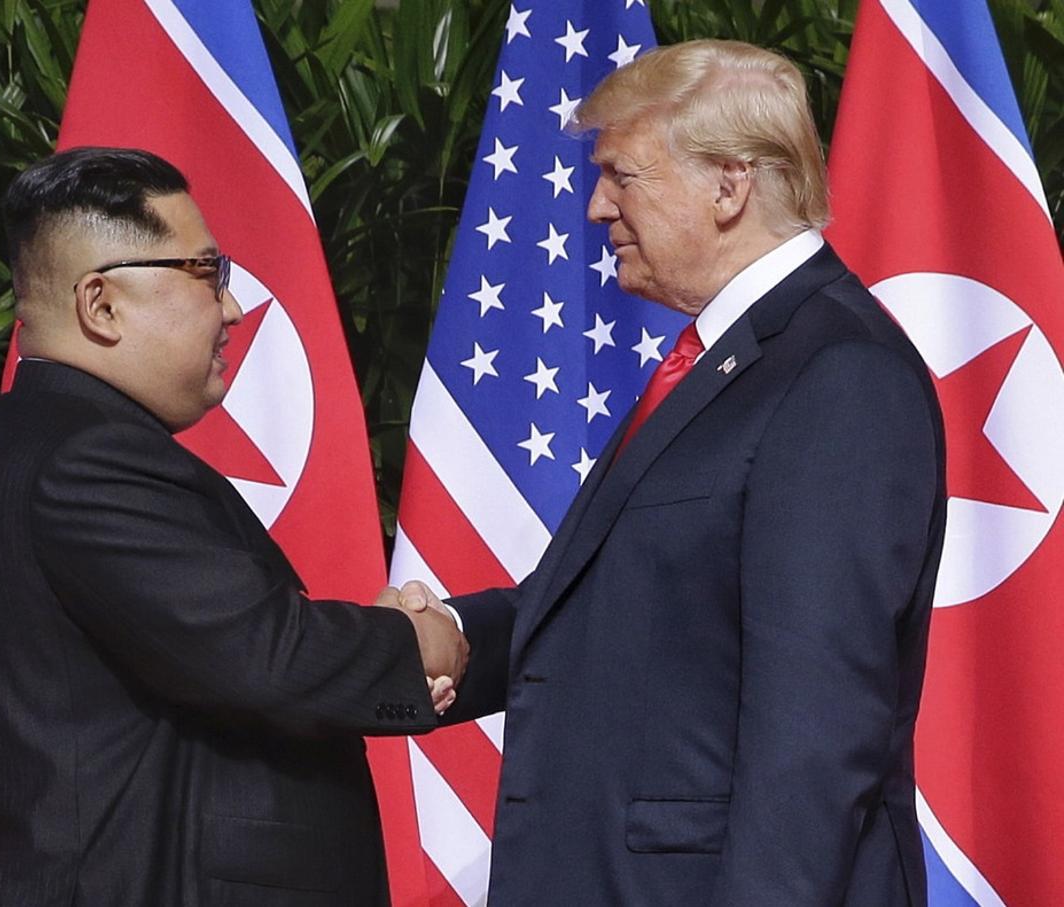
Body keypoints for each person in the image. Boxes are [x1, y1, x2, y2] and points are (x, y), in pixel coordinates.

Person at [393, 39, 947, 906]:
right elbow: (606, 610)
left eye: (622, 175)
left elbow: (814, 734)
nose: (595, 206)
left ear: (731, 185)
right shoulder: (719, 361)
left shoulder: (839, 373)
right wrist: (444, 638)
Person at [0, 146, 466, 906]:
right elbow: (270, 659)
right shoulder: (86, 456)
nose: (231, 307)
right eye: (207, 273)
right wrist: (421, 641)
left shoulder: (54, 439)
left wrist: (484, 632)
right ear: (102, 304)